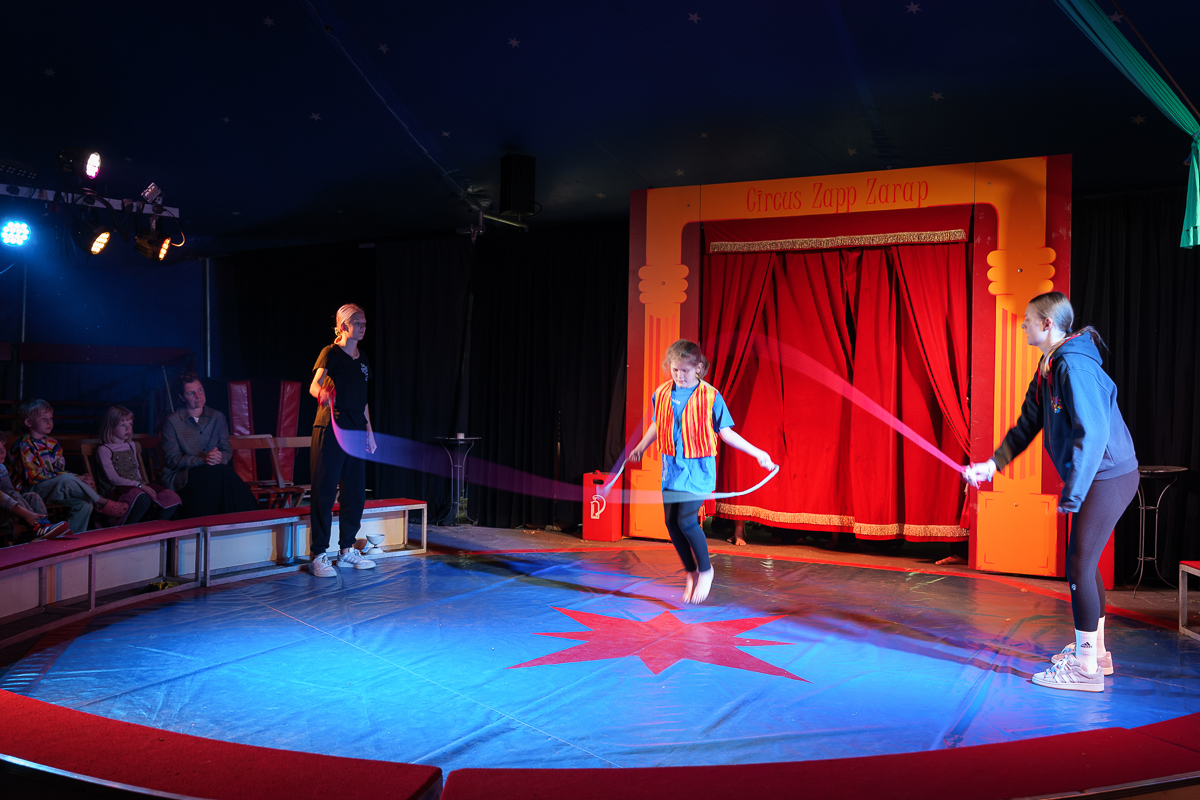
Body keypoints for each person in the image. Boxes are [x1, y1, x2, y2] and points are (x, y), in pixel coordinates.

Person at [965, 292, 1138, 693]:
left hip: (1107, 475)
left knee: (1078, 564)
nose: (1022, 324)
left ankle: (1086, 669)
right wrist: (991, 466)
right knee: (1084, 562)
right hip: (1098, 475)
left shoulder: (1074, 365)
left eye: (1028, 319)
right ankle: (1096, 653)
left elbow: (1093, 433)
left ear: (1047, 324)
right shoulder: (1050, 365)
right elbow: (1028, 423)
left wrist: (1073, 493)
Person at [630, 339, 775, 604]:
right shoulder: (661, 393)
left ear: (698, 368)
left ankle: (706, 570)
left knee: (686, 521)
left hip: (697, 470)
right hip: (672, 469)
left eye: (685, 370)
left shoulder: (711, 397)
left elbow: (726, 433)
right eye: (675, 370)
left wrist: (757, 453)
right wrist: (640, 447)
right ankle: (691, 571)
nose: (679, 376)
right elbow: (657, 424)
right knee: (671, 523)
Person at [307, 304, 378, 578]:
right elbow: (315, 384)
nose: (363, 327)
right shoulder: (331, 352)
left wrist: (370, 432)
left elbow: (363, 400)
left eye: (364, 323)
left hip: (356, 432)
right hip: (331, 428)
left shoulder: (363, 359)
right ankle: (318, 554)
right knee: (325, 491)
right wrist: (321, 393)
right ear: (344, 326)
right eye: (358, 323)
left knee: (355, 492)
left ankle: (347, 549)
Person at [8, 399, 127, 532]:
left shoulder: (53, 443)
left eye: (51, 418)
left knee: (84, 504)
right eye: (44, 418)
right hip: (30, 491)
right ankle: (100, 501)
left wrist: (79, 479)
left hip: (52, 490)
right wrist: (75, 479)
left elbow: (59, 471)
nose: (49, 422)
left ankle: (70, 538)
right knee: (66, 479)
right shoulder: (24, 445)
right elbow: (34, 477)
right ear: (28, 422)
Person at [160, 373, 258, 518]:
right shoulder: (172, 421)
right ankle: (251, 516)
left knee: (221, 474)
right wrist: (203, 460)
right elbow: (173, 460)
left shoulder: (217, 417)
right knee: (222, 474)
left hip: (214, 472)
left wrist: (218, 457)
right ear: (182, 397)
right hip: (183, 475)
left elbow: (226, 450)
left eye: (200, 390)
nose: (198, 396)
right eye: (191, 393)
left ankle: (241, 520)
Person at [96, 406, 182, 523]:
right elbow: (113, 478)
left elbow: (135, 469)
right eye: (122, 425)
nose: (128, 428)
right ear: (110, 427)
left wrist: (143, 484)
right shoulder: (104, 450)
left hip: (138, 485)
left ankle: (155, 525)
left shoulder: (131, 445)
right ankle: (130, 527)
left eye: (130, 424)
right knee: (142, 497)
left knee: (172, 497)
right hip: (119, 489)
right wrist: (139, 485)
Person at [0, 436, 71, 542]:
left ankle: (45, 525)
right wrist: (27, 514)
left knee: (32, 496)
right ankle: (38, 527)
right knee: (13, 495)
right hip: (3, 509)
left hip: (8, 507)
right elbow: (3, 498)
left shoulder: (1, 468)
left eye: (3, 446)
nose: (2, 451)